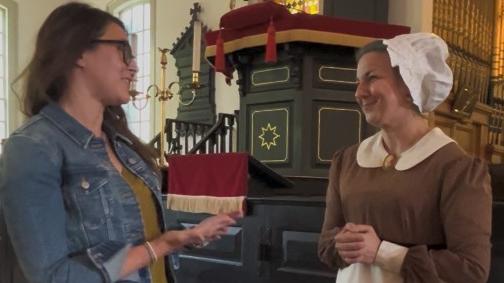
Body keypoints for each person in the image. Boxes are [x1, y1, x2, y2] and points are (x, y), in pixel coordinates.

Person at [0, 2, 239, 283]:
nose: (134, 66)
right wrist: (162, 245)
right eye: (124, 50)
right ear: (78, 52)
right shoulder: (33, 147)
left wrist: (186, 236)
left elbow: (135, 228)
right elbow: (54, 277)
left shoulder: (123, 145)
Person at [318, 33, 492, 283]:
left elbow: (470, 270)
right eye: (358, 81)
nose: (359, 92)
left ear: (410, 86)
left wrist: (381, 252)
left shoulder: (456, 168)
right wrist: (341, 244)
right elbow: (326, 245)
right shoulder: (346, 161)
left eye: (371, 78)